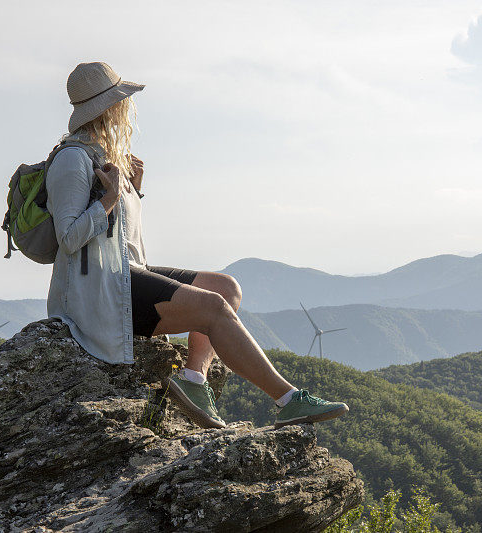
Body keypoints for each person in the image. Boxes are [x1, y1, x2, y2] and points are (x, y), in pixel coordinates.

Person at [46, 61, 348, 429]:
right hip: (99, 294)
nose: (127, 110)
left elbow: (122, 242)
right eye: (121, 102)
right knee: (213, 308)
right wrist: (110, 199)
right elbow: (69, 237)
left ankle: (193, 382)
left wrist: (133, 191)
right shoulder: (71, 159)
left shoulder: (102, 155)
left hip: (125, 273)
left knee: (225, 287)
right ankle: (288, 399)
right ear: (109, 107)